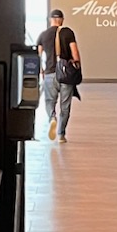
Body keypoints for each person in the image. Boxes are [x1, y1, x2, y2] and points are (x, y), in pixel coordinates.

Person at [37, 7, 81, 140]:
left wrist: (41, 70)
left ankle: (52, 118)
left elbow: (38, 55)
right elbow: (75, 53)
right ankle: (61, 134)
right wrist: (77, 65)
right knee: (65, 105)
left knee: (50, 100)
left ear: (51, 20)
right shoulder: (68, 33)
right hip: (65, 74)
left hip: (50, 73)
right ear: (61, 20)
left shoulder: (43, 35)